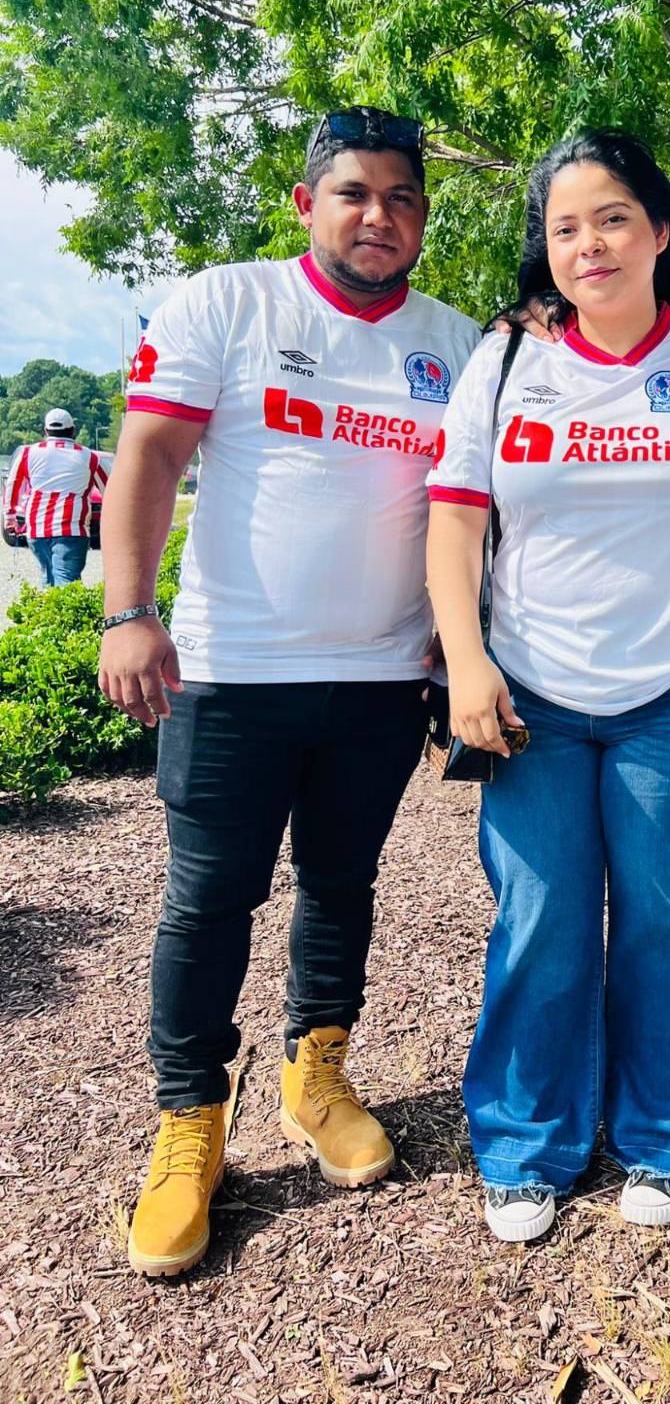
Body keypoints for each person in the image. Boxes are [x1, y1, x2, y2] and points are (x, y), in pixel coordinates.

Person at [98, 106, 481, 1278]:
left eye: (404, 198)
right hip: (230, 669)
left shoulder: (454, 342)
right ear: (305, 202)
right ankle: (188, 1123)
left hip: (379, 677)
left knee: (341, 883)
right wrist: (127, 610)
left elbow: (478, 507)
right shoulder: (229, 302)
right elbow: (151, 453)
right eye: (355, 193)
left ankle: (316, 1069)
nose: (381, 216)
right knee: (210, 903)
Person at [426, 129, 670, 1243]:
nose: (589, 244)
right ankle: (529, 1143)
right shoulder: (507, 360)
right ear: (546, 247)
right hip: (528, 687)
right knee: (540, 917)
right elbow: (455, 515)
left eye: (613, 217)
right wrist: (468, 660)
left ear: (661, 232)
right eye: (565, 225)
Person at [3, 408, 107, 585]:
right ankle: (64, 612)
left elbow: (14, 484)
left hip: (37, 530)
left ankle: (46, 611)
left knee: (48, 577)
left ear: (46, 431)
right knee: (66, 583)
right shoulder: (89, 457)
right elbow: (109, 490)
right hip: (72, 530)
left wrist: (10, 517)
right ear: (73, 431)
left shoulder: (28, 453)